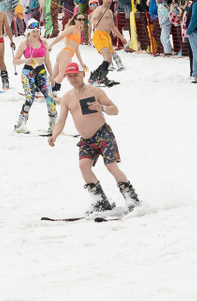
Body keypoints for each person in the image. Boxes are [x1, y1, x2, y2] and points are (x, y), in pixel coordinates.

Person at [48, 61, 138, 215]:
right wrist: (54, 135)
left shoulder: (95, 91)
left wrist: (101, 107)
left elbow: (115, 110)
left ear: (83, 74)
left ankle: (131, 199)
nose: (73, 79)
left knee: (111, 166)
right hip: (86, 140)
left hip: (103, 134)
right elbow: (61, 121)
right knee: (84, 166)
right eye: (69, 77)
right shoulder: (67, 98)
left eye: (75, 75)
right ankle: (100, 201)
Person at [13, 25, 56, 134]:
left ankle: (53, 124)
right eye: (33, 32)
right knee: (30, 97)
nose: (36, 34)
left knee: (49, 96)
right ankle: (20, 124)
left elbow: (47, 61)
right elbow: (15, 60)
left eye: (37, 31)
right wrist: (25, 60)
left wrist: (52, 76)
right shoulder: (24, 44)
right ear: (29, 32)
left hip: (41, 71)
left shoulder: (44, 43)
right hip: (28, 72)